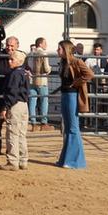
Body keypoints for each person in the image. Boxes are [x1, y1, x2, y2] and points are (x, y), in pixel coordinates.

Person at [55, 39, 89, 169]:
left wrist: (76, 83)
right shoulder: (64, 62)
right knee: (68, 127)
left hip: (72, 95)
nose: (58, 50)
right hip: (65, 94)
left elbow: (89, 74)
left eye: (60, 49)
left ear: (65, 49)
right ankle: (68, 159)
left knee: (73, 127)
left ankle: (74, 161)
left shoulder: (76, 61)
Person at [0, 49, 30, 170]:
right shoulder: (24, 73)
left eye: (12, 59)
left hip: (15, 105)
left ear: (19, 61)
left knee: (12, 133)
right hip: (23, 104)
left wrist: (5, 107)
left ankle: (13, 161)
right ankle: (23, 160)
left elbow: (12, 92)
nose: (9, 61)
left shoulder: (14, 74)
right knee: (22, 134)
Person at [27, 37, 51, 130]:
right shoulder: (43, 53)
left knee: (32, 102)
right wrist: (50, 69)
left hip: (32, 80)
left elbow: (28, 66)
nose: (46, 45)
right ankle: (44, 123)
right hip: (42, 80)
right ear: (40, 44)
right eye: (45, 43)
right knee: (44, 101)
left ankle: (33, 123)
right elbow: (46, 68)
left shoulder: (30, 54)